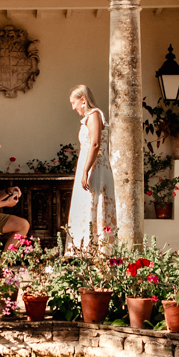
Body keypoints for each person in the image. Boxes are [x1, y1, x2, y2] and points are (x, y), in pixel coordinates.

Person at [66, 84, 114, 248]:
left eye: (74, 103)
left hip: (96, 169)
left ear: (83, 100)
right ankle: (87, 248)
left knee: (94, 206)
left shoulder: (94, 115)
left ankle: (95, 249)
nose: (73, 107)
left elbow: (95, 144)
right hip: (91, 166)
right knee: (87, 207)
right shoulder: (91, 117)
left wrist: (85, 171)